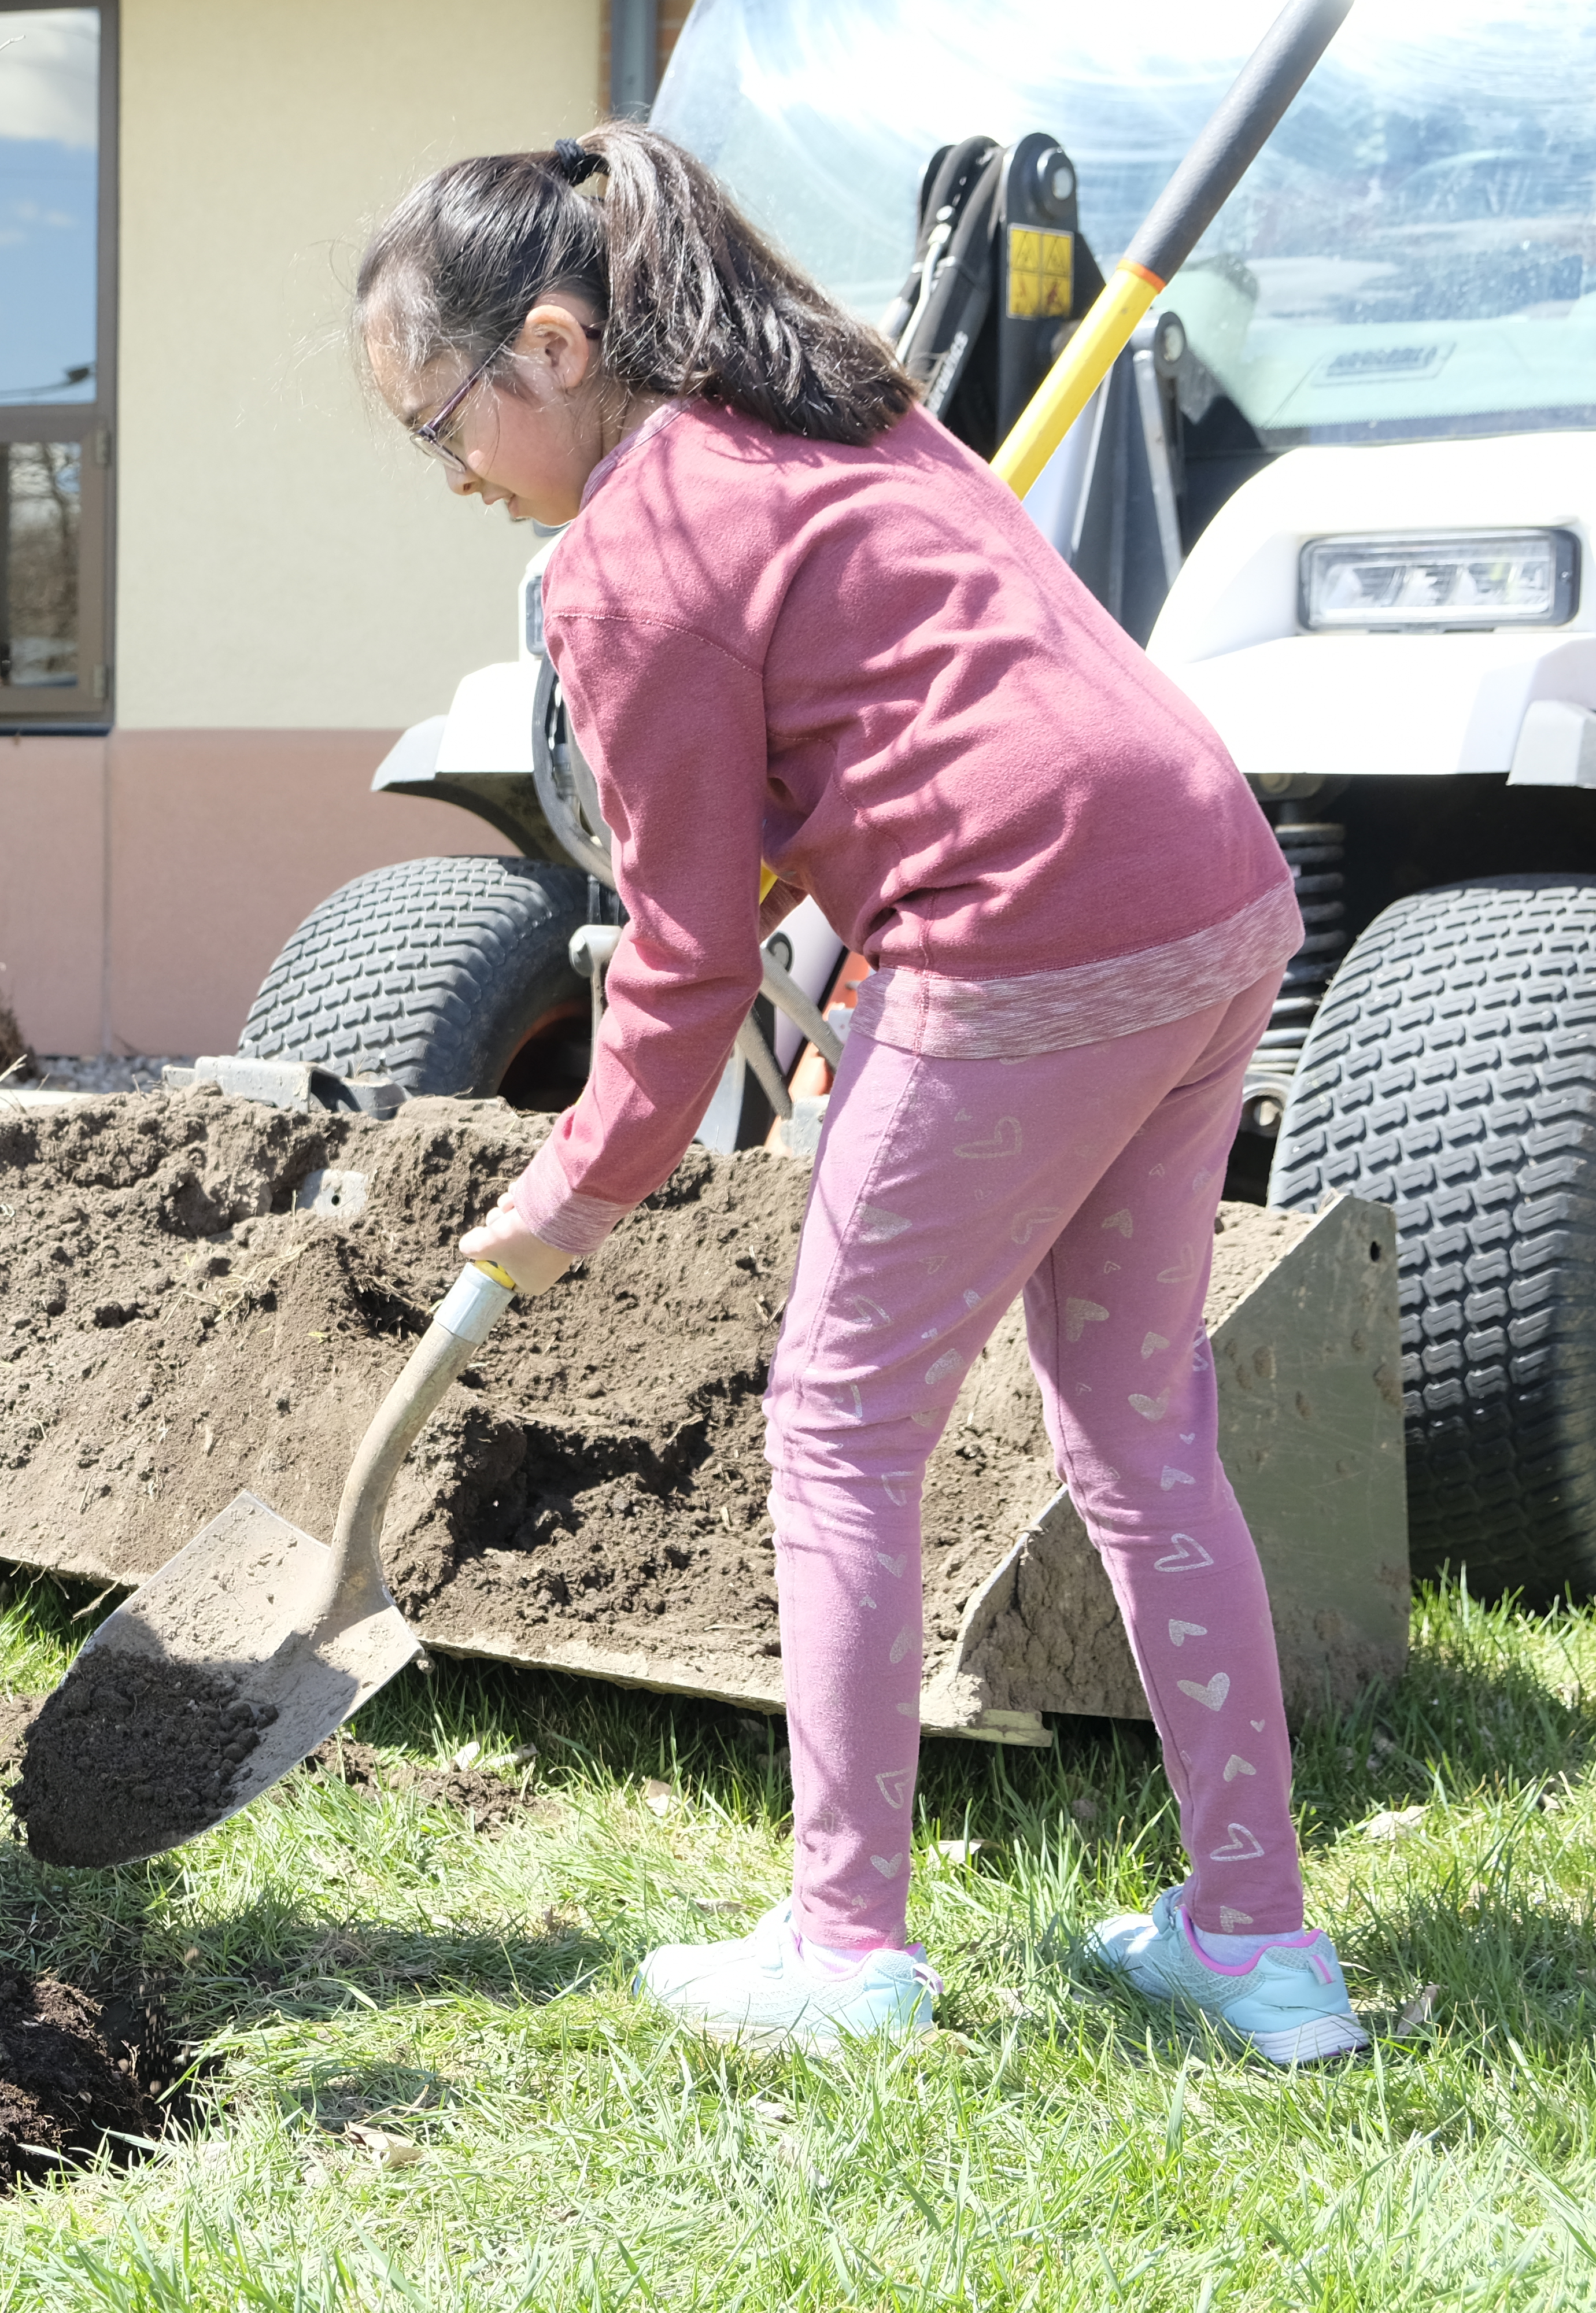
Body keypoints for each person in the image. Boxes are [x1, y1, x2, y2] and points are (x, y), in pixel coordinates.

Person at [353, 132, 1368, 2064]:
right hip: (1215, 886)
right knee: (1144, 1431)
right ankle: (1260, 1947)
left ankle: (845, 1953)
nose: (454, 473)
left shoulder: (631, 557)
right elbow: (906, 715)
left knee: (836, 1427)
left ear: (554, 345)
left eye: (443, 423)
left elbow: (673, 971)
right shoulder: (831, 412)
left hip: (1022, 937)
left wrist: (572, 1188)